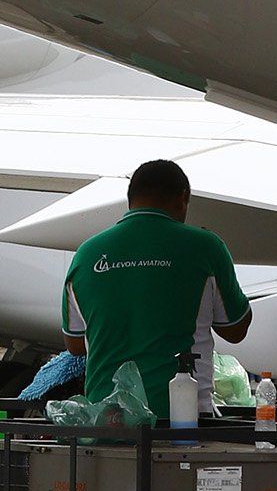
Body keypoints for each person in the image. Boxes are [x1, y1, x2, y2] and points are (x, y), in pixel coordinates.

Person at [62, 157, 252, 421]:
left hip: (107, 420)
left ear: (130, 199)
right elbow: (236, 329)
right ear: (183, 198)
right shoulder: (205, 247)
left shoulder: (86, 254)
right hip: (181, 418)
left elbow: (75, 344)